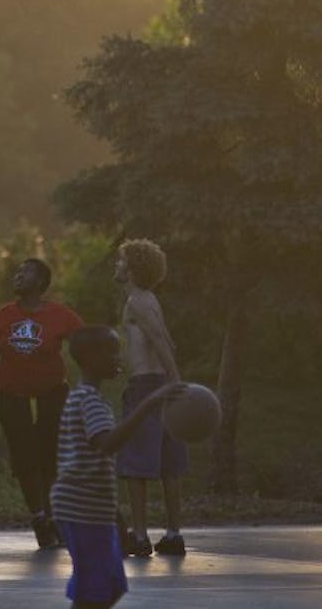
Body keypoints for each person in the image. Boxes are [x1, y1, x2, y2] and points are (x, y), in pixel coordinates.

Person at [53, 326, 176, 609]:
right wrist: (147, 406)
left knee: (111, 586)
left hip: (94, 508)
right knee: (95, 590)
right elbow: (106, 444)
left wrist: (113, 515)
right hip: (80, 509)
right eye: (109, 350)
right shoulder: (88, 400)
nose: (117, 357)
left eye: (117, 349)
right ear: (87, 357)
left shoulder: (87, 398)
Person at [0, 258, 84, 548]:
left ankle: (55, 518)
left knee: (49, 459)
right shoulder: (6, 314)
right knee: (24, 460)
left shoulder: (60, 315)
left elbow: (84, 343)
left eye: (26, 272)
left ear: (41, 283)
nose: (18, 275)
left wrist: (99, 369)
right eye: (18, 272)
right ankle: (39, 518)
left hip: (51, 395)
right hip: (12, 396)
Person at [114, 239, 188, 557]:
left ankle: (141, 536)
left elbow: (157, 338)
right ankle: (173, 534)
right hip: (159, 382)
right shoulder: (150, 298)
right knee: (169, 463)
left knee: (135, 465)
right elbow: (165, 339)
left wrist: (174, 378)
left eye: (121, 262)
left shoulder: (135, 302)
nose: (116, 266)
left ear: (132, 269)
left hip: (146, 386)